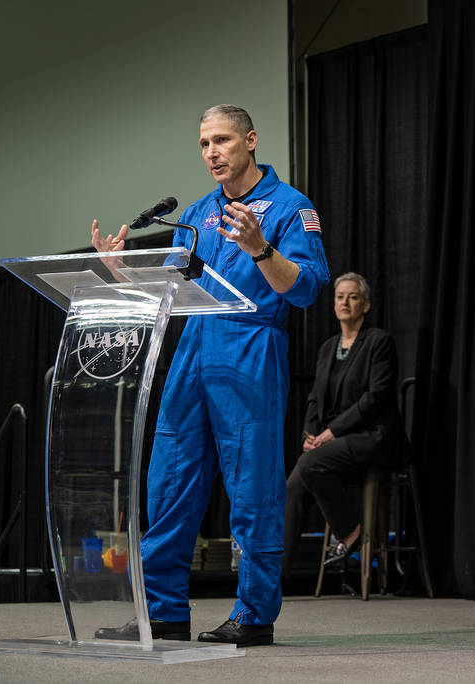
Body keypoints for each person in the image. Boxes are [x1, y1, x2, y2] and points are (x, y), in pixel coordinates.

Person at [92, 104, 329, 646]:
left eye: (221, 140)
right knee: (168, 483)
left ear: (250, 141)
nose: (212, 153)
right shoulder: (197, 211)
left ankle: (254, 615)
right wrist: (121, 271)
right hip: (192, 348)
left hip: (249, 347)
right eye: (203, 144)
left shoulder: (292, 207)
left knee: (253, 489)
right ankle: (164, 612)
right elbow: (174, 290)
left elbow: (308, 288)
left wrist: (261, 249)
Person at [283, 272, 406, 578]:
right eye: (340, 297)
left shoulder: (378, 343)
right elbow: (314, 399)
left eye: (353, 297)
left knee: (310, 463)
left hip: (373, 438)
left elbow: (375, 399)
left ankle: (351, 534)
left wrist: (330, 433)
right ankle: (277, 574)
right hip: (332, 444)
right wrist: (310, 434)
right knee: (295, 482)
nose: (345, 302)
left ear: (365, 305)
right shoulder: (328, 348)